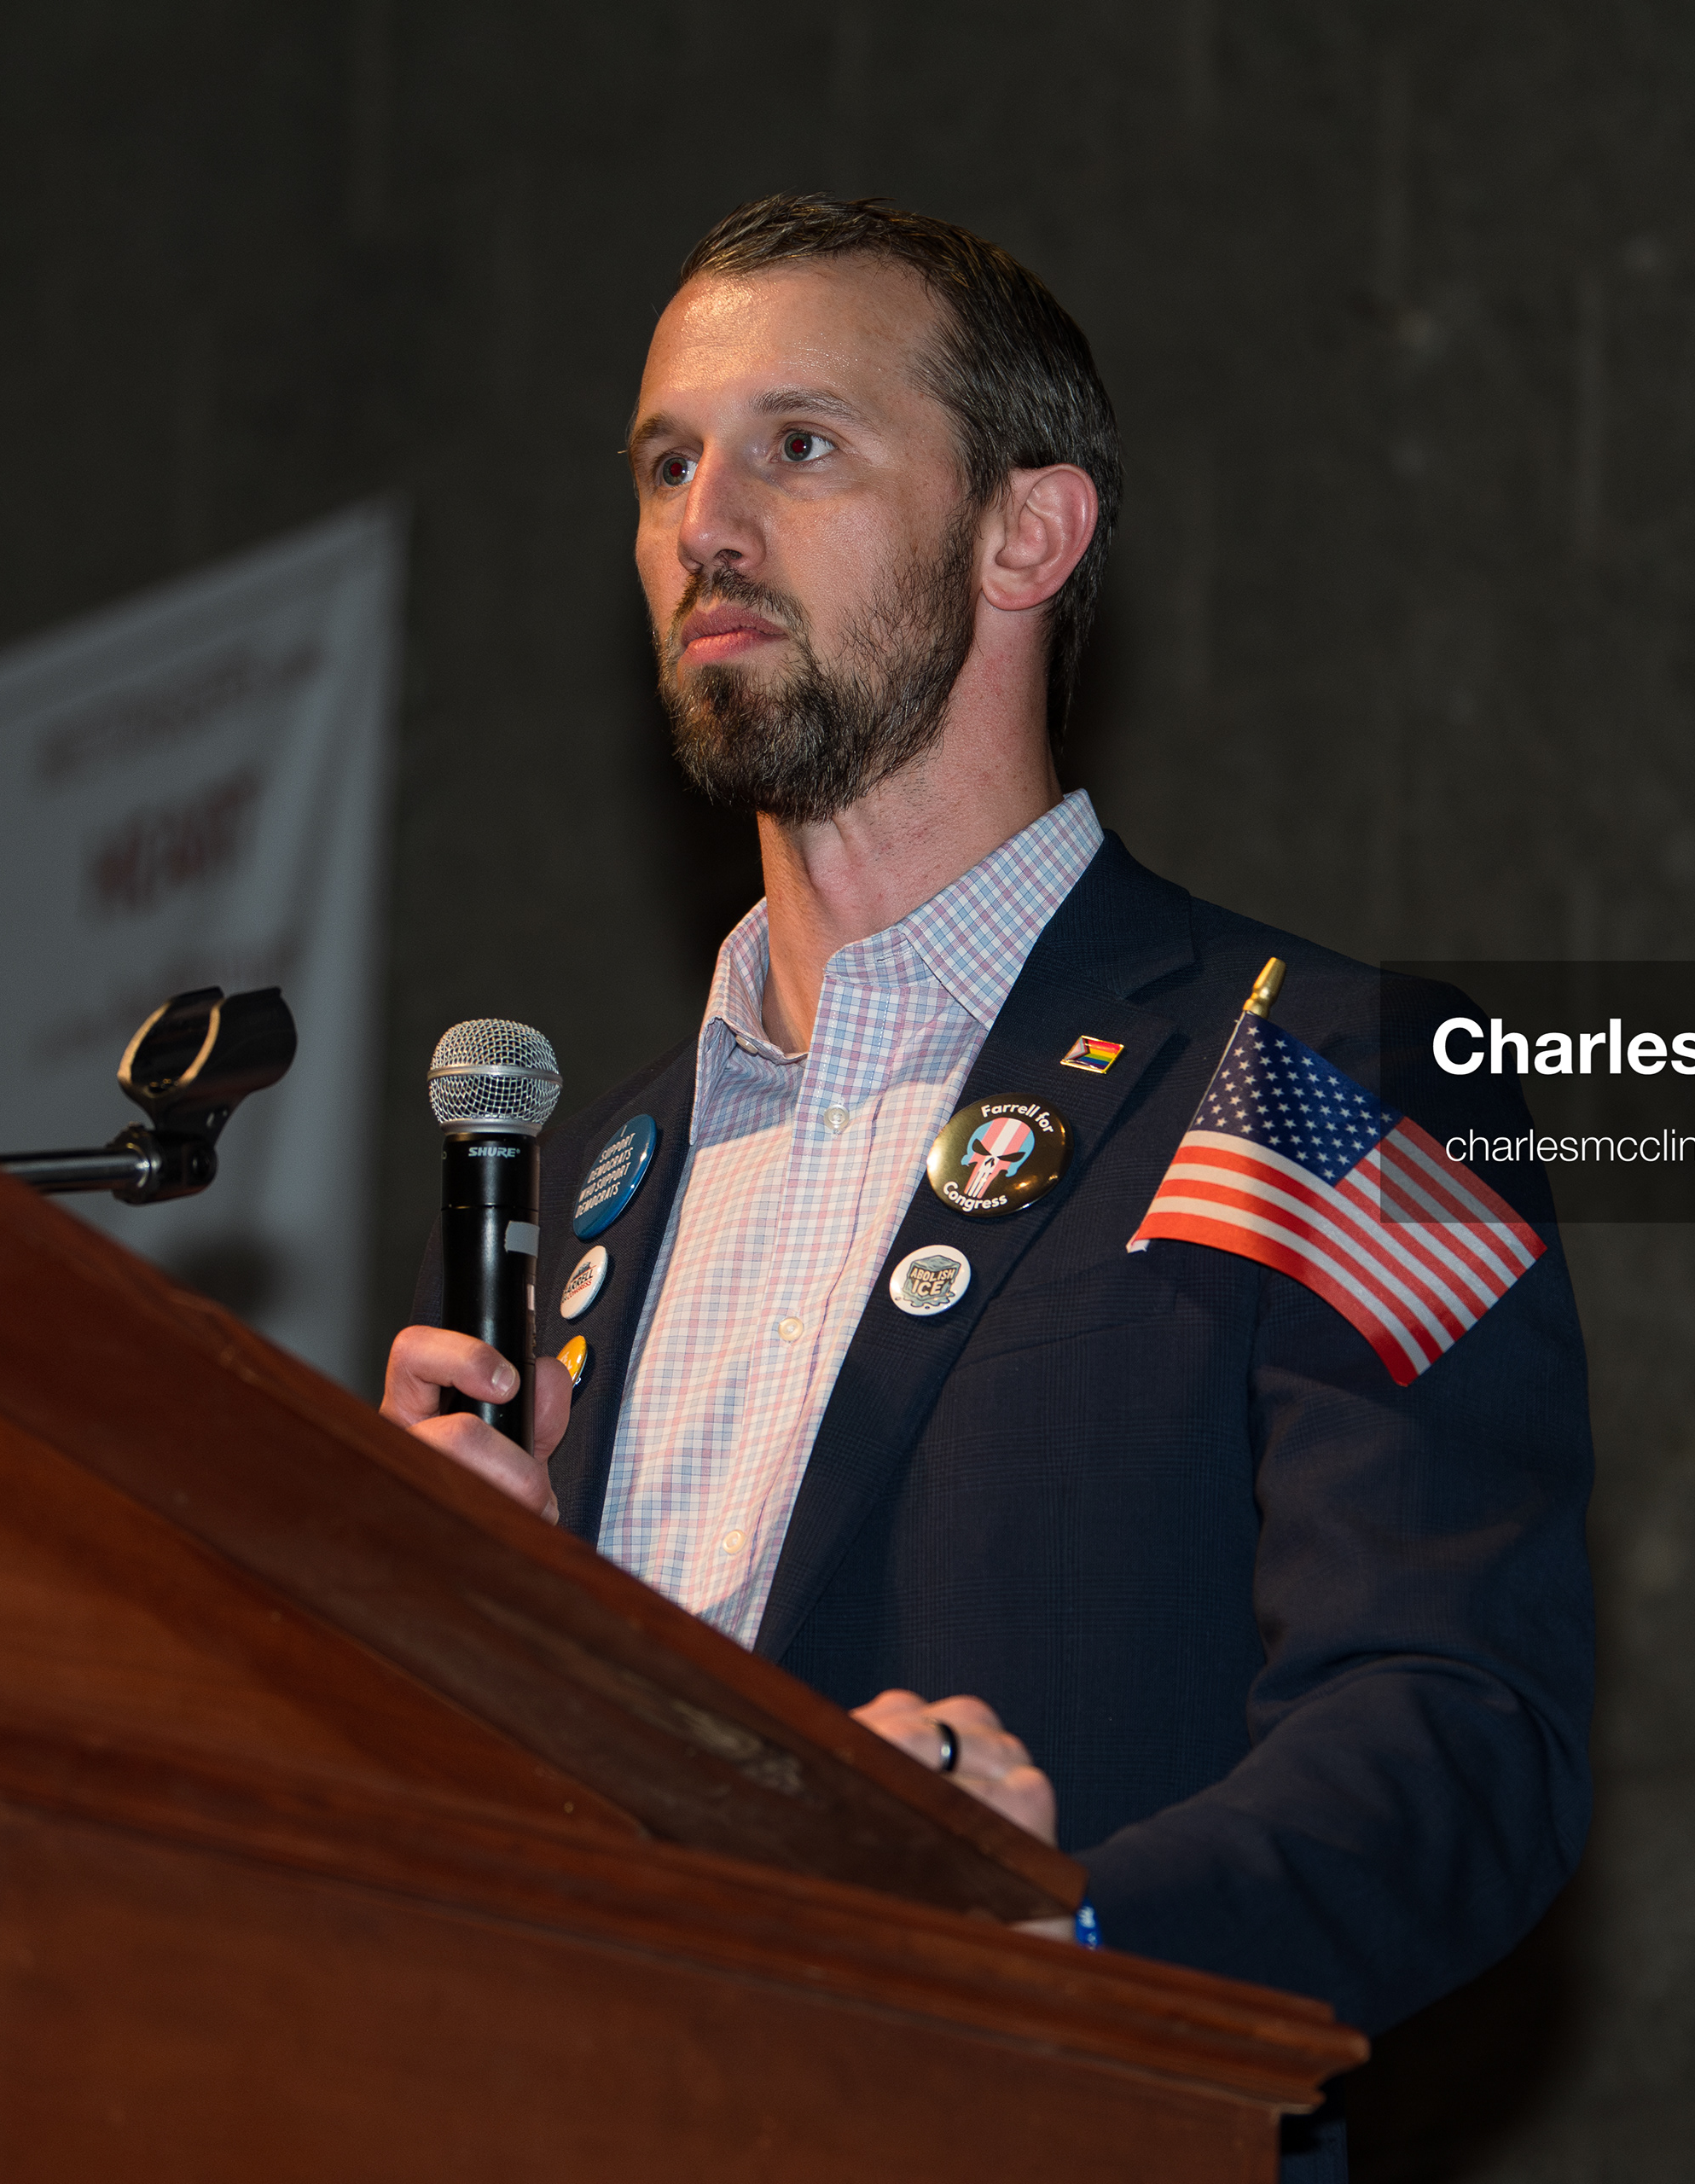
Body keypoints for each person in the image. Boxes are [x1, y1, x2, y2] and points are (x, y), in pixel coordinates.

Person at [386, 194, 1592, 2169]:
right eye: (667, 464)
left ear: (1028, 533)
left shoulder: (1318, 1067)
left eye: (801, 445)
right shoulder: (594, 1186)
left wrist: (1068, 1940)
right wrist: (413, 1610)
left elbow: (1460, 1728)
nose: (706, 523)